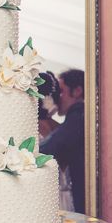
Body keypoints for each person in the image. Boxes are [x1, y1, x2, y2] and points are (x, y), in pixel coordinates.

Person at [40, 68, 86, 213]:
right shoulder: (69, 121)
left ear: (77, 91)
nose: (58, 97)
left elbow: (50, 148)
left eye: (62, 91)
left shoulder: (78, 117)